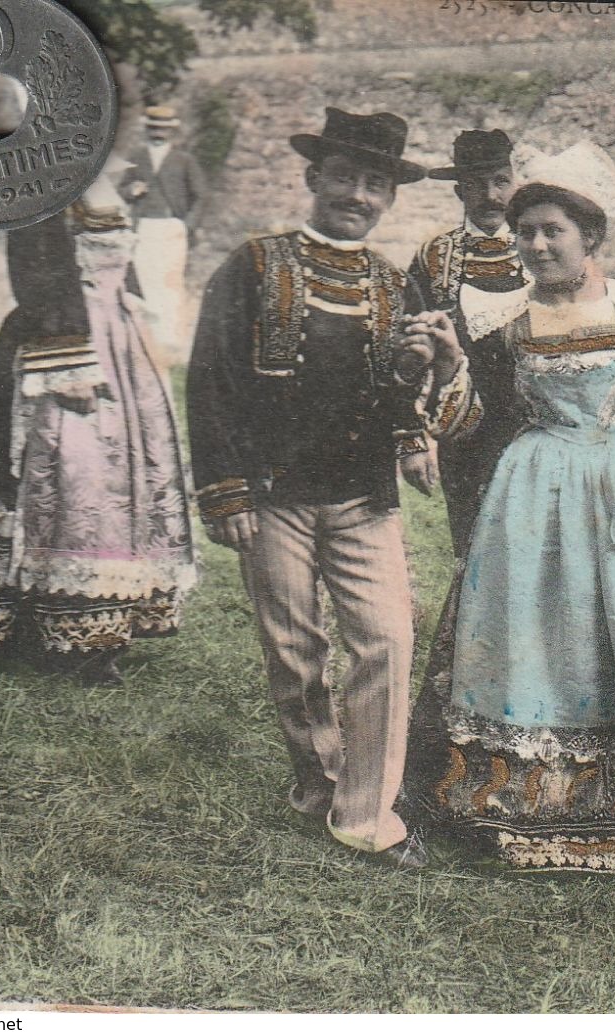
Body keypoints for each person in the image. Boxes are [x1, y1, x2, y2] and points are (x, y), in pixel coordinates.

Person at [402, 142, 615, 874]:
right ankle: (519, 803)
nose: (538, 244)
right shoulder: (498, 317)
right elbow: (473, 421)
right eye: (526, 232)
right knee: (532, 634)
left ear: (591, 237)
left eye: (554, 230)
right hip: (533, 491)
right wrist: (450, 373)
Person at [186, 108, 449, 868]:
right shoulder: (253, 264)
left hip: (363, 496)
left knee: (388, 639)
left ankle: (366, 813)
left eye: (374, 184)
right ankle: (320, 779)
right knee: (295, 650)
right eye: (344, 177)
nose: (357, 195)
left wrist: (412, 403)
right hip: (272, 493)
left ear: (390, 199)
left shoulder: (395, 284)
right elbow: (210, 380)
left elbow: (399, 391)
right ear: (313, 178)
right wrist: (225, 490)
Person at [0, 156, 197, 687]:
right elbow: (35, 270)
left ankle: (108, 619)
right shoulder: (41, 179)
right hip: (62, 345)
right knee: (71, 475)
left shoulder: (106, 179)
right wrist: (65, 361)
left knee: (123, 480)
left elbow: (124, 271)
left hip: (120, 344)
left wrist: (142, 332)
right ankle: (48, 628)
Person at [407, 129, 528, 552]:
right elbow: (411, 350)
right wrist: (413, 436)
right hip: (464, 423)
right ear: (460, 191)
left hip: (533, 419)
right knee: (475, 542)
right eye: (476, 185)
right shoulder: (434, 256)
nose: (490, 195)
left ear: (515, 183)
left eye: (499, 182)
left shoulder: (538, 246)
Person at [121, 105, 206, 365]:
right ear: (147, 128)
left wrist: (186, 226)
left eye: (163, 129)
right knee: (144, 279)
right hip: (144, 226)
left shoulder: (184, 159)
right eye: (153, 128)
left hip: (171, 227)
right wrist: (131, 190)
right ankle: (146, 335)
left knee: (169, 281)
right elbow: (123, 189)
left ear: (171, 131)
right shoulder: (137, 156)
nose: (158, 133)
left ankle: (169, 338)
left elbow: (200, 196)